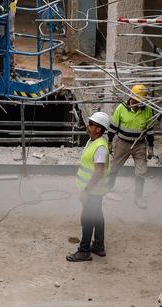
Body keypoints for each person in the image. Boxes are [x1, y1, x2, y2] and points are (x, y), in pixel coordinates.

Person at [67, 111, 111, 262]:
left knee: (87, 218)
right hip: (94, 190)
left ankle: (84, 250)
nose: (88, 126)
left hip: (93, 190)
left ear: (98, 129)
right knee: (97, 216)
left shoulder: (100, 147)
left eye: (91, 124)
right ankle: (98, 245)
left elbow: (98, 171)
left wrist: (86, 191)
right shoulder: (93, 141)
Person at [107, 84, 155, 208]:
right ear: (131, 97)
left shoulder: (147, 109)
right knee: (113, 167)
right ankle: (108, 188)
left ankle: (138, 198)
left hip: (139, 145)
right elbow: (113, 127)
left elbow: (150, 130)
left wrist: (150, 147)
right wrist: (109, 142)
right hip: (122, 143)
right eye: (137, 100)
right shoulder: (121, 108)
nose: (139, 103)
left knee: (141, 172)